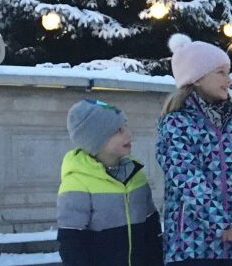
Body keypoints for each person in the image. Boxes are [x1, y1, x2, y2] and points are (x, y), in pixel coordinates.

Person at [156, 33, 232, 265]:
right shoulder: (176, 123)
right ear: (197, 78)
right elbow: (187, 179)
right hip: (192, 247)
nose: (229, 80)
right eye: (221, 72)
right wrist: (221, 225)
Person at [57, 99, 163, 265]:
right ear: (96, 139)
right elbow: (72, 242)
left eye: (126, 125)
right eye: (118, 130)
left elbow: (151, 227)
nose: (129, 133)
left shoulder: (136, 175)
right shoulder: (77, 182)